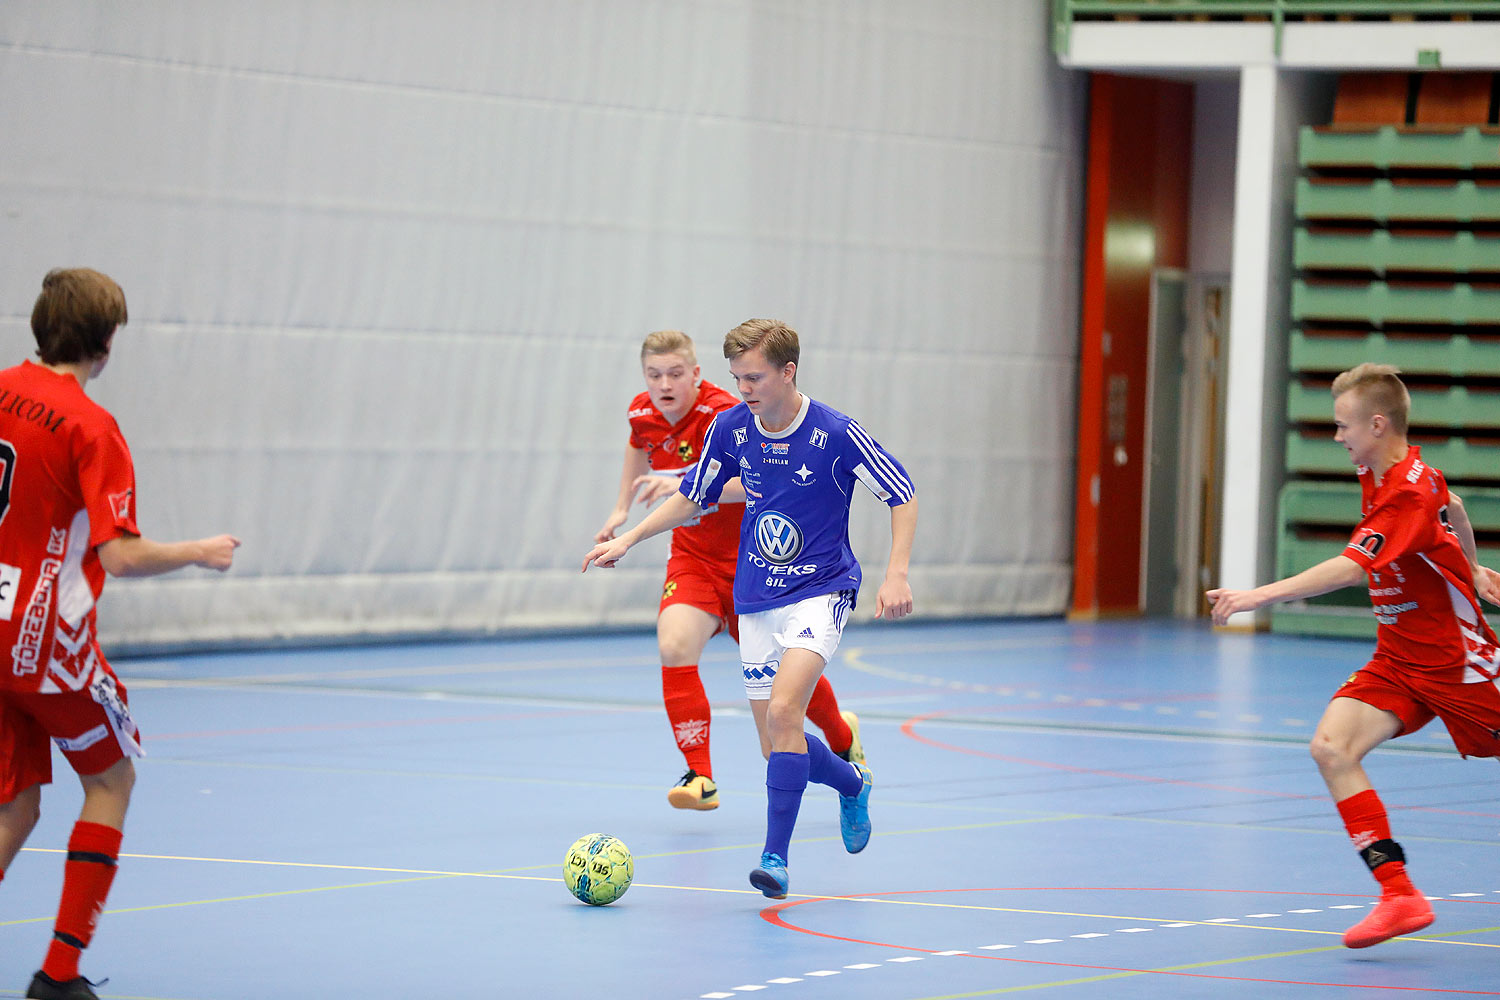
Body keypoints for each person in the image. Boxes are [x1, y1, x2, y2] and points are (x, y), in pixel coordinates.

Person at [585, 318, 917, 898]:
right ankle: (850, 782)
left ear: (788, 372)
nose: (744, 390)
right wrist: (629, 538)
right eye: (738, 378)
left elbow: (902, 492)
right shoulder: (732, 429)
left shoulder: (836, 432)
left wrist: (896, 574)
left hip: (821, 590)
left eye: (755, 377)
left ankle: (774, 859)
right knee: (775, 744)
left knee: (787, 711)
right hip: (757, 596)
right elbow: (695, 496)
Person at [0, 269, 240, 1000]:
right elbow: (121, 556)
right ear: (105, 345)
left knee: (15, 803)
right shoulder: (89, 426)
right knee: (110, 779)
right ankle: (60, 975)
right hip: (44, 639)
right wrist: (200, 550)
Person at [1208, 362, 1500, 949]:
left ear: (1376, 422)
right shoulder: (1389, 472)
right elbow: (1457, 504)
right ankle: (1399, 895)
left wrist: (1257, 596)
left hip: (1456, 663)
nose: (1337, 437)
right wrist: (1469, 566)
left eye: (1343, 426)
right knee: (1331, 747)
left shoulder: (1406, 494)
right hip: (1398, 661)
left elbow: (1349, 567)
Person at [595, 330, 864, 811]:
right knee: (674, 643)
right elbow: (637, 445)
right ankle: (700, 775)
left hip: (752, 563)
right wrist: (622, 511)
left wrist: (684, 482)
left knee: (788, 683)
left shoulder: (729, 413)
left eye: (675, 373)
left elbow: (754, 480)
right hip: (693, 557)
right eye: (654, 375)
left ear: (697, 375)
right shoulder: (641, 411)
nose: (664, 384)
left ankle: (842, 736)